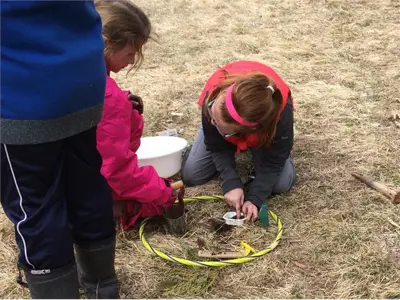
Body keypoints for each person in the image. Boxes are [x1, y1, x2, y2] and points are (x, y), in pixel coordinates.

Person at [1, 1, 118, 299]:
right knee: (86, 184)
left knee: (35, 206)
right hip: (80, 77)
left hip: (19, 92)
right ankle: (103, 287)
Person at [95, 0, 177, 230]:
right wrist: (162, 192)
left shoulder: (80, 74)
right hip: (77, 189)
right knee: (145, 202)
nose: (132, 60)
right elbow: (117, 170)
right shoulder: (108, 98)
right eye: (130, 53)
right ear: (106, 45)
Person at [182, 61, 295, 221]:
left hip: (260, 134)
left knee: (280, 184)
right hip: (233, 128)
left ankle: (261, 151)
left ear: (246, 131)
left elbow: (274, 162)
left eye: (217, 124)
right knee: (192, 175)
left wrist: (255, 198)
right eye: (213, 118)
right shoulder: (214, 98)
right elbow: (217, 146)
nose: (212, 122)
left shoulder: (280, 114)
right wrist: (231, 182)